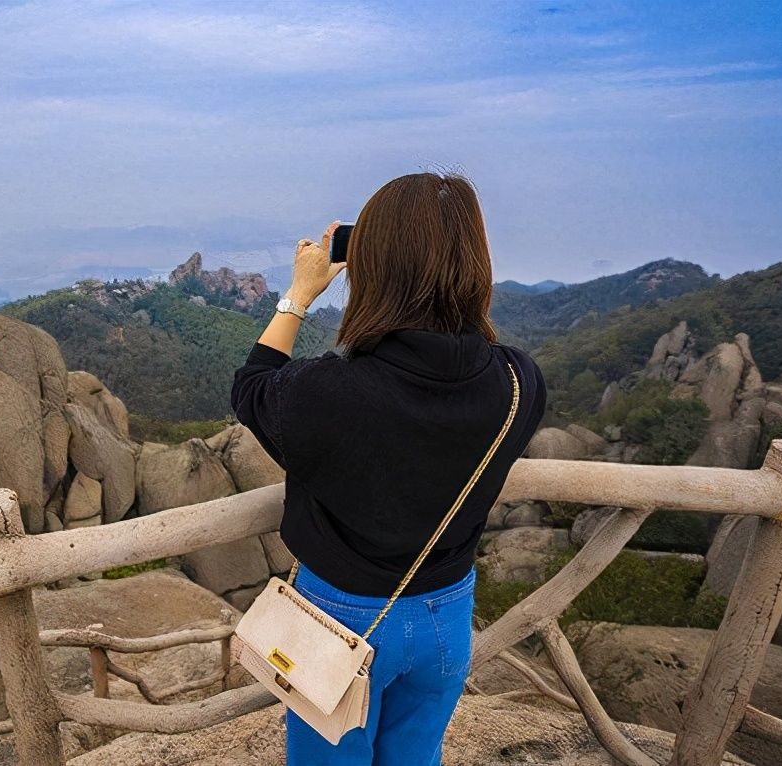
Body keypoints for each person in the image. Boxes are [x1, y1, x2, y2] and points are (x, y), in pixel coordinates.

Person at [230, 171, 547, 764]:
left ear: (374, 269)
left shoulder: (330, 392)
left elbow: (251, 387)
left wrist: (299, 295)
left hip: (345, 620)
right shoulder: (517, 381)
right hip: (447, 614)